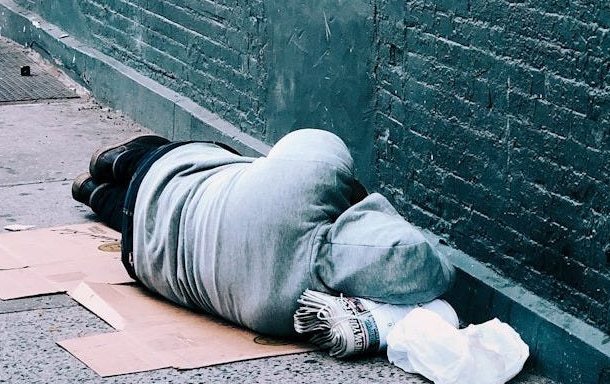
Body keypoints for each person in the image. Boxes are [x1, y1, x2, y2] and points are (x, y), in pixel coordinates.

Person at [72, 129, 455, 340]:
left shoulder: (310, 176)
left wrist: (357, 197)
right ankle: (92, 193)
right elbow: (429, 267)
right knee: (137, 216)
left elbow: (315, 140)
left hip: (172, 172)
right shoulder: (287, 312)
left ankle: (109, 163)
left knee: (159, 164)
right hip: (143, 255)